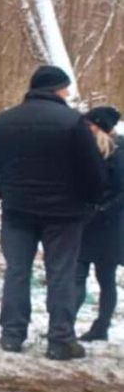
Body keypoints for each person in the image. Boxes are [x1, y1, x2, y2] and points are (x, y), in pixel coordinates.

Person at [0, 65, 107, 361]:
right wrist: (88, 202)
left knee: (17, 271)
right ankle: (61, 339)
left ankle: (12, 334)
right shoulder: (73, 122)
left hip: (17, 212)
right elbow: (93, 172)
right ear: (57, 89)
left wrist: (7, 193)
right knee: (61, 274)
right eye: (66, 88)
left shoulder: (4, 121)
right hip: (64, 214)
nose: (68, 93)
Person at [75, 107, 124, 342]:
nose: (86, 128)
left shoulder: (119, 153)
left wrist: (101, 209)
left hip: (109, 226)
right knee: (76, 276)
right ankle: (64, 323)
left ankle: (101, 326)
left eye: (90, 125)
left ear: (100, 126)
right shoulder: (87, 149)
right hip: (86, 223)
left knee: (105, 278)